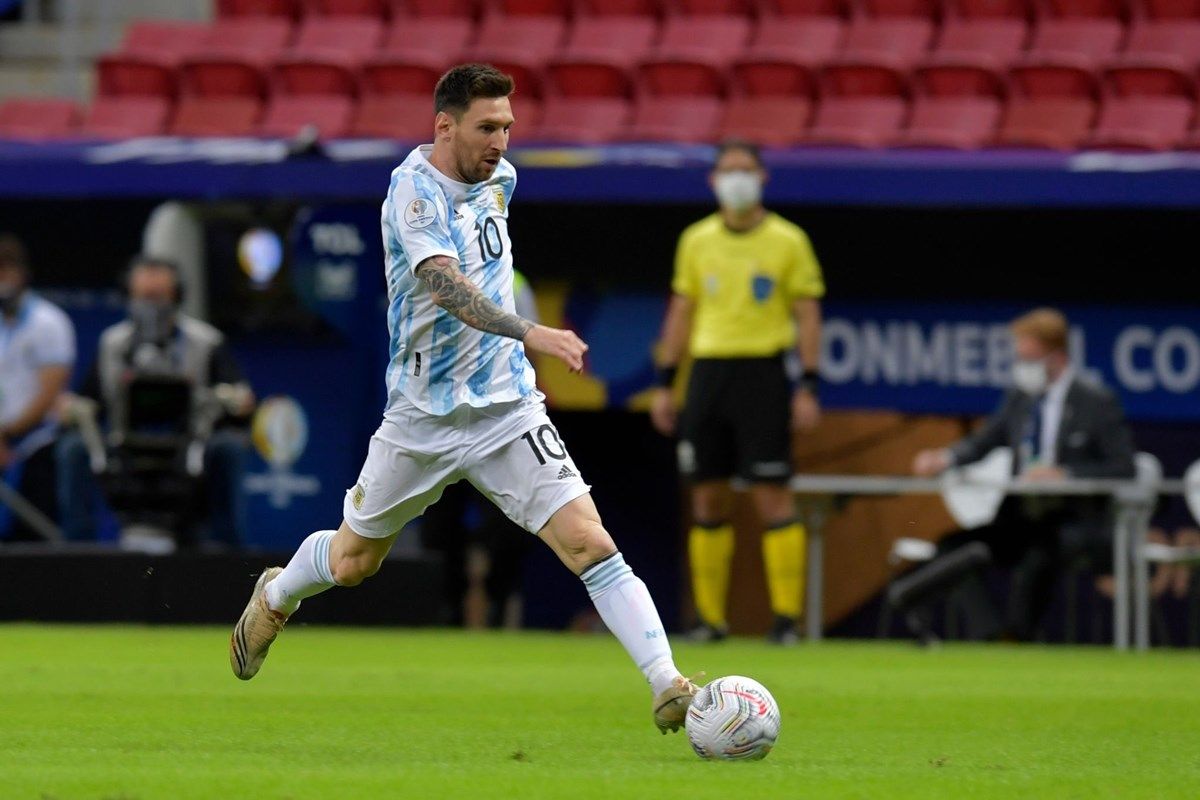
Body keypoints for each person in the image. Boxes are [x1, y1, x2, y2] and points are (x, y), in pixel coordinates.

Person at [229, 64, 700, 735]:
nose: (501, 140)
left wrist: (518, 349)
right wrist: (530, 329)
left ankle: (667, 683)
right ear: (444, 125)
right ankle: (275, 595)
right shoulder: (412, 192)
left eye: (507, 126)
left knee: (589, 543)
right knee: (353, 562)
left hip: (507, 407)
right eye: (487, 127)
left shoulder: (500, 180)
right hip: (422, 415)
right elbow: (445, 286)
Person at [649, 139, 825, 645]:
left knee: (772, 494)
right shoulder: (697, 240)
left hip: (764, 374)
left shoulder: (788, 241)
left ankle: (787, 621)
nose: (737, 179)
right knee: (707, 495)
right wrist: (666, 383)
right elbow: (681, 310)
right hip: (707, 374)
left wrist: (808, 384)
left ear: (763, 177)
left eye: (746, 170)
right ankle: (710, 620)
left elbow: (808, 314)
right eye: (728, 171)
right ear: (713, 181)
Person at [909, 307, 1136, 641]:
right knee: (953, 549)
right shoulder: (1020, 399)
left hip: (1072, 522)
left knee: (1039, 558)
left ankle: (1017, 638)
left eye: (1028, 358)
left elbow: (1123, 467)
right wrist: (945, 458)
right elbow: (985, 440)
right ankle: (990, 637)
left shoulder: (1097, 402)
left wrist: (1065, 474)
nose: (1021, 367)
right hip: (1019, 519)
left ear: (1056, 356)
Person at [57, 255, 255, 545]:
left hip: (190, 446)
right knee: (73, 448)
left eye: (158, 296)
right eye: (143, 297)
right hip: (123, 448)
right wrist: (70, 408)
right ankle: (77, 550)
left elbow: (240, 398)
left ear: (177, 297)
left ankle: (230, 551)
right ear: (129, 296)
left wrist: (235, 400)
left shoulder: (206, 342)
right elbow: (88, 400)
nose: (151, 306)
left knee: (228, 448)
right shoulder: (112, 343)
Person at [0, 233, 75, 540]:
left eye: (6, 271)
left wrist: (6, 435)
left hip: (35, 444)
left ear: (22, 274)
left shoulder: (49, 322)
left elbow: (49, 393)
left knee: (31, 538)